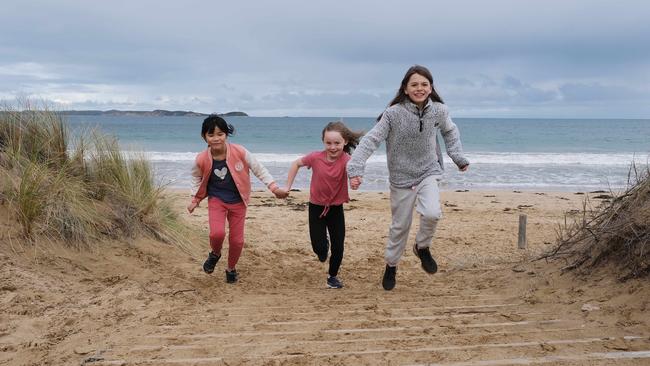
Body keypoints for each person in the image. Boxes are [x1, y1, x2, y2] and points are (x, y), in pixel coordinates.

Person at [347, 65, 470, 291]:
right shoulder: (393, 114)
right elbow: (371, 140)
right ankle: (391, 265)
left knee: (432, 213)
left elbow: (450, 132)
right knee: (400, 227)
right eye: (414, 84)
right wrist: (355, 169)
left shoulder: (439, 111)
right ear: (405, 88)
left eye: (424, 84)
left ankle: (422, 247)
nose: (419, 88)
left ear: (431, 87)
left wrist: (458, 157)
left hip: (428, 171)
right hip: (401, 177)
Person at [187, 115, 288, 284]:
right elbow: (195, 178)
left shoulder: (240, 152)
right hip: (216, 200)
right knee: (217, 233)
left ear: (226, 134)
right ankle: (215, 253)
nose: (216, 138)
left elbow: (259, 169)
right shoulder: (201, 158)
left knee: (237, 240)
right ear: (204, 137)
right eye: (211, 135)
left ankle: (231, 268)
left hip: (239, 202)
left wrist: (274, 188)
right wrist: (194, 199)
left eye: (220, 134)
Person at [285, 121, 363, 289]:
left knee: (338, 247)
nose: (333, 147)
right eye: (328, 143)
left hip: (336, 210)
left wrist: (355, 181)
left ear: (345, 142)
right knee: (320, 250)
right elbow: (295, 164)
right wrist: (287, 187)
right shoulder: (315, 157)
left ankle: (332, 277)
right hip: (316, 208)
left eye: (337, 143)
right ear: (323, 142)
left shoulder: (348, 160)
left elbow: (354, 175)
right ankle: (322, 248)